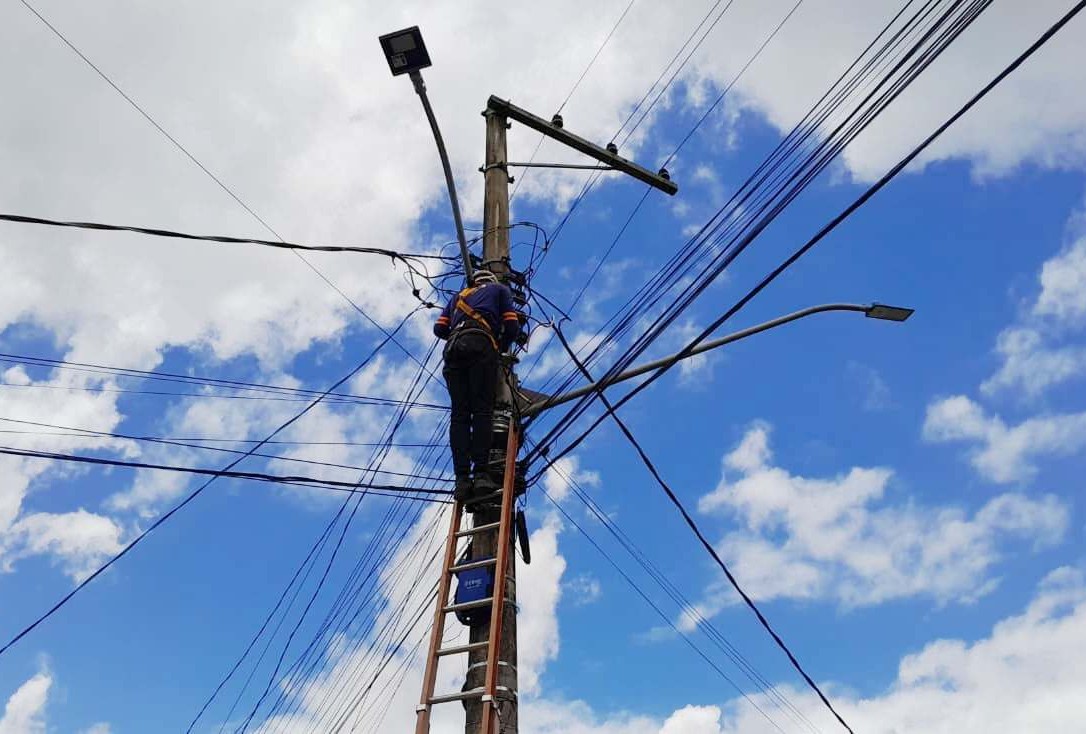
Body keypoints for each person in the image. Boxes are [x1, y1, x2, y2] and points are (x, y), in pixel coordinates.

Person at [433, 268, 520, 502]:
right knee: (482, 410)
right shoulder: (500, 290)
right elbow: (512, 325)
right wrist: (500, 345)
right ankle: (481, 474)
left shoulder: (458, 297)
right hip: (481, 345)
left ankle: (461, 480)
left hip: (452, 350)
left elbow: (439, 328)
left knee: (460, 415)